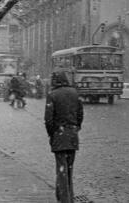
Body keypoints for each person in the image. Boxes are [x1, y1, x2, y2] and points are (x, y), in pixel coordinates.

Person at [45, 71, 83, 203]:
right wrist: (76, 127)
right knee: (69, 169)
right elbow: (80, 114)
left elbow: (48, 119)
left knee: (61, 170)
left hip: (59, 136)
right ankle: (67, 196)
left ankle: (64, 199)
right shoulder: (75, 93)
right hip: (72, 135)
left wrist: (52, 134)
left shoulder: (52, 95)